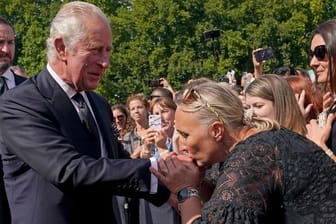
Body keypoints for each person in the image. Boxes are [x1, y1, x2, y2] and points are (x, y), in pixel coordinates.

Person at [0, 2, 171, 224]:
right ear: (61, 48)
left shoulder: (98, 103)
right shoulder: (18, 104)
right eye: (95, 49)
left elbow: (117, 162)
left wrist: (171, 183)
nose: (105, 62)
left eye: (108, 51)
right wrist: (158, 171)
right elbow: (68, 169)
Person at [150, 81, 336, 224]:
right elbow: (226, 196)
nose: (180, 142)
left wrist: (185, 190)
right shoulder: (257, 141)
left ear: (216, 131)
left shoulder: (254, 154)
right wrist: (197, 181)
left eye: (185, 134)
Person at [0, 17, 27, 224]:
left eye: (10, 43)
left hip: (23, 188)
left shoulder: (31, 89)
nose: (6, 49)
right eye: (0, 43)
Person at [306, 19, 336, 156]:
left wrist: (322, 148)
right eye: (311, 55)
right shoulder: (331, 104)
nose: (313, 62)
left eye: (320, 52)